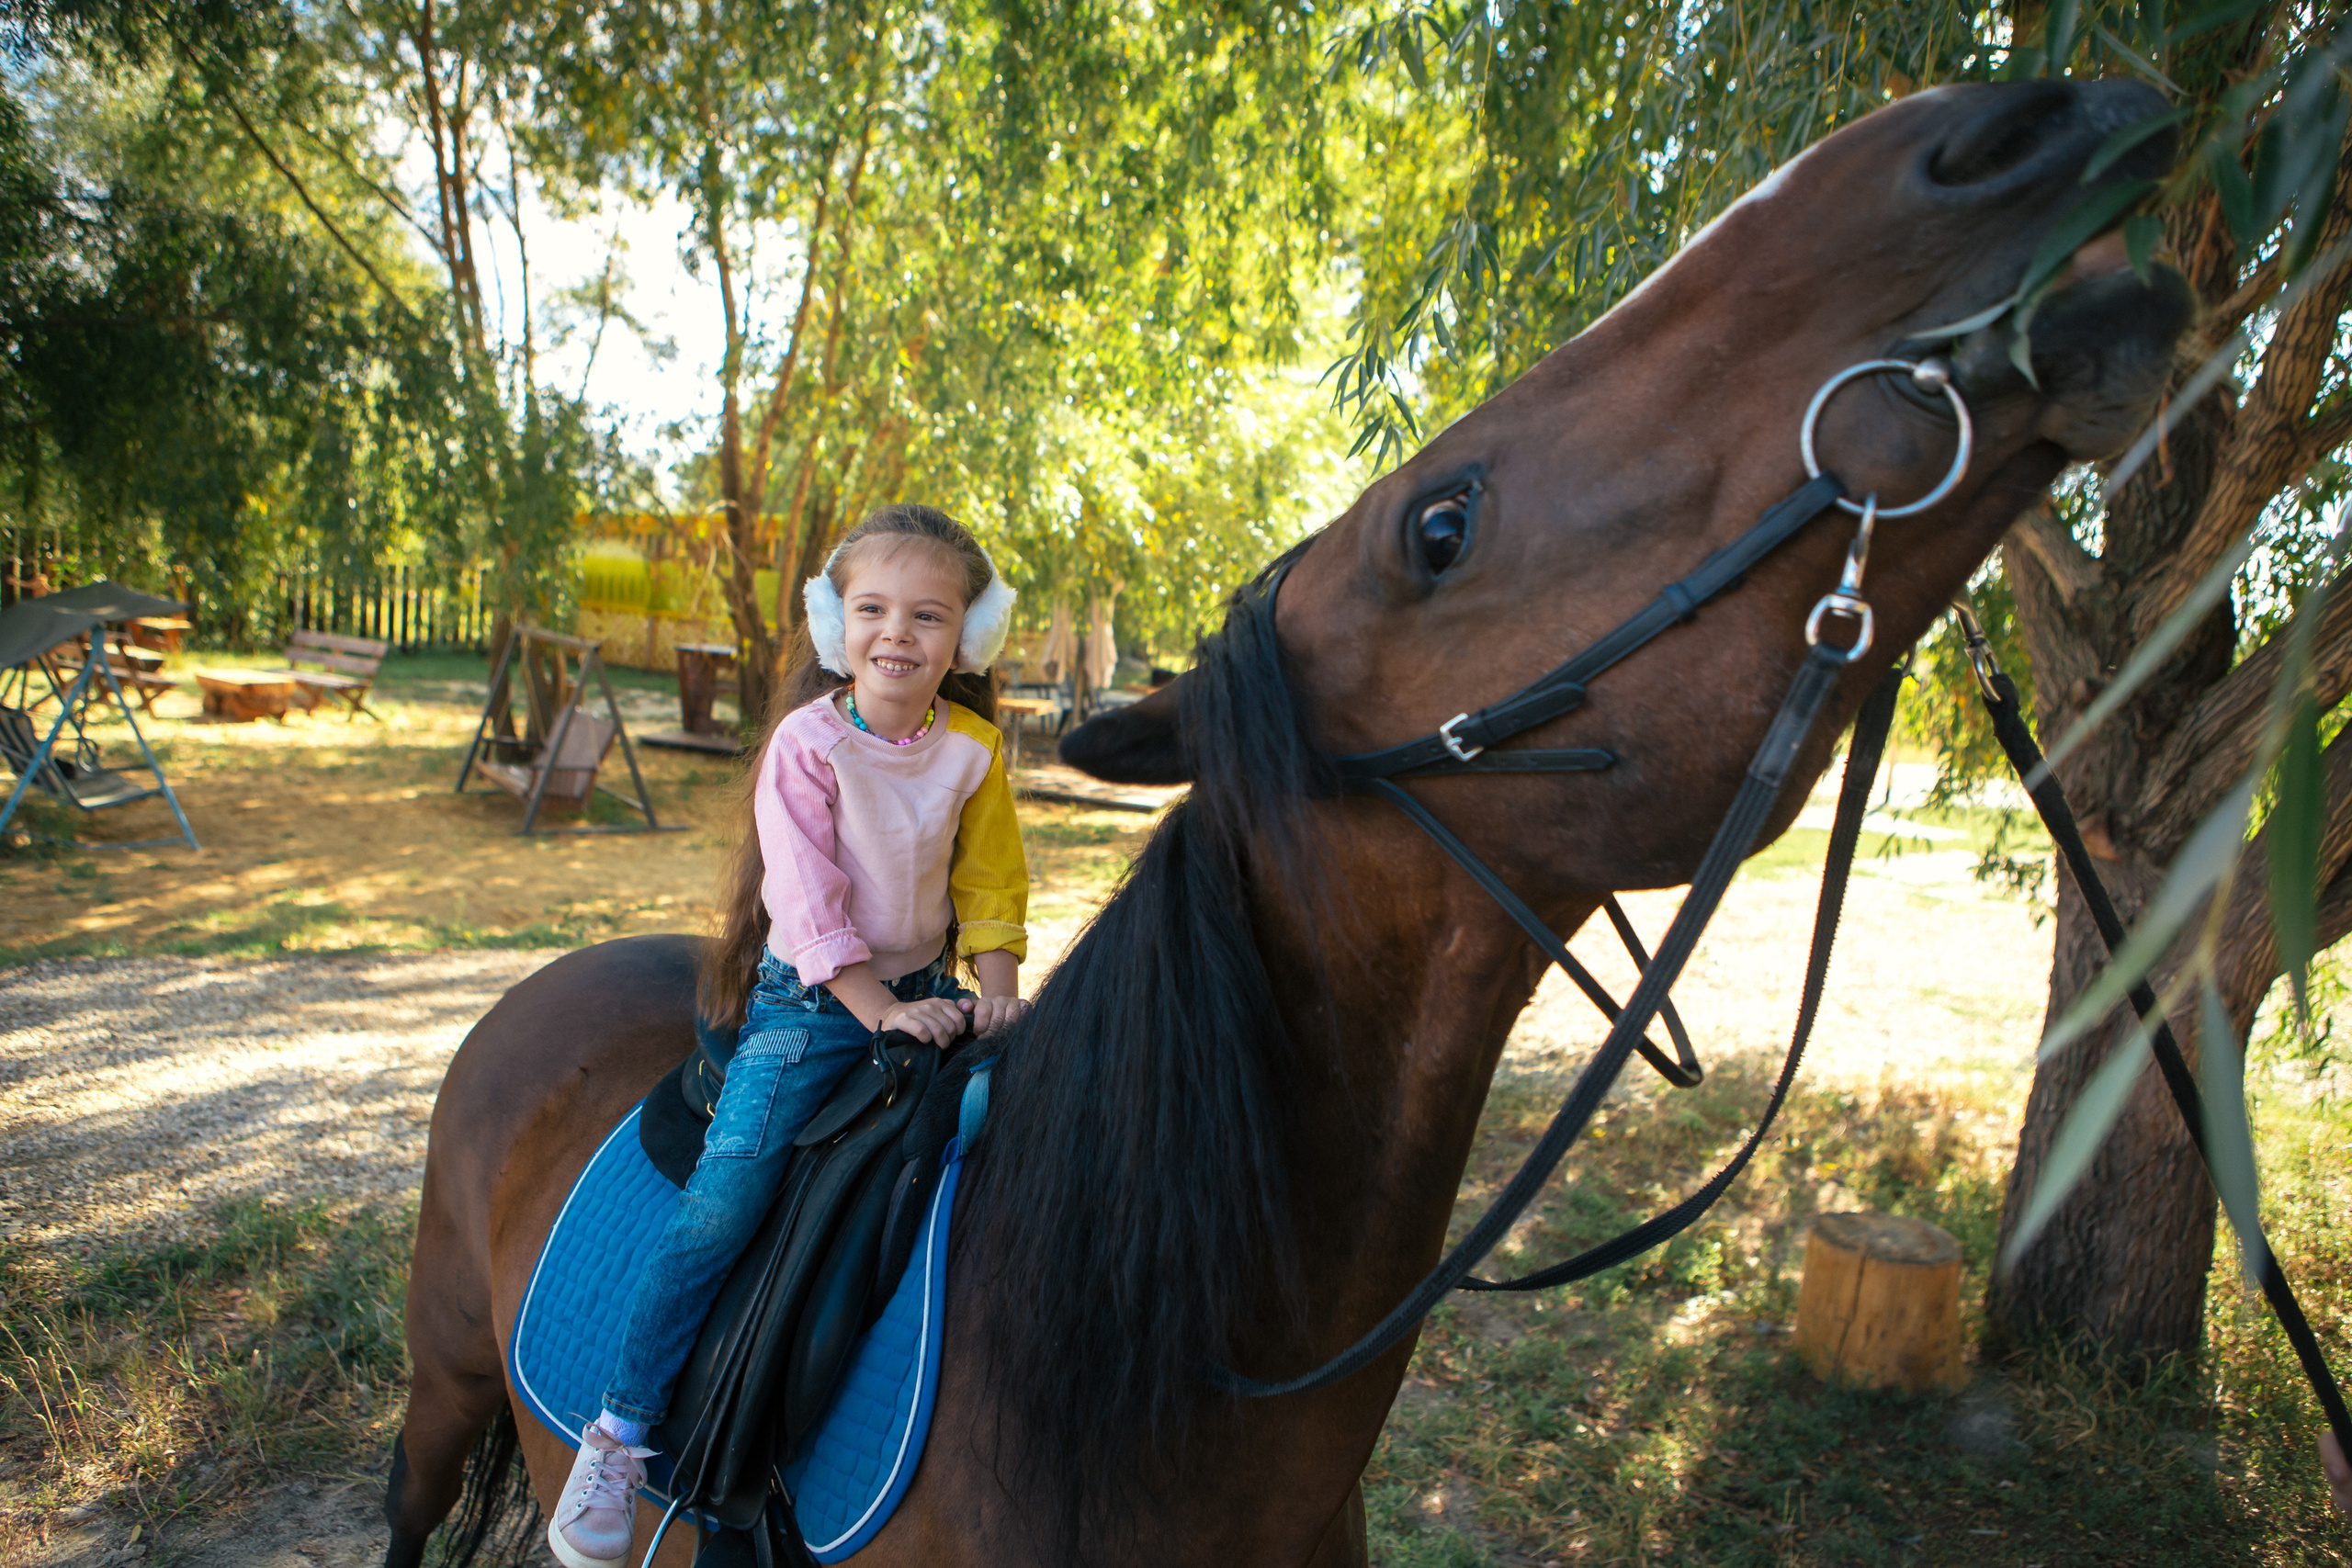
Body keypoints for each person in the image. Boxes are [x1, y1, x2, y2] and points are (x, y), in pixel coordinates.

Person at [548, 504, 1032, 1568]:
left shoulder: (974, 753)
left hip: (927, 994)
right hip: (811, 1006)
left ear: (967, 639)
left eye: (928, 614)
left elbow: (991, 884)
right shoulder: (807, 747)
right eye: (872, 609)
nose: (897, 633)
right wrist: (880, 1012)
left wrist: (996, 994)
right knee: (725, 1203)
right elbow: (807, 903)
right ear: (835, 625)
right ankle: (620, 1432)